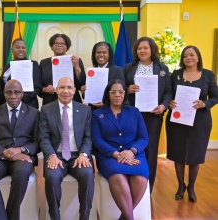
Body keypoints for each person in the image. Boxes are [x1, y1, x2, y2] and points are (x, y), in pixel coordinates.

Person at [0, 80, 39, 220]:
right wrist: (9, 154)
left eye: (17, 92)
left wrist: (21, 150)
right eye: (9, 92)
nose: (13, 96)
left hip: (23, 156)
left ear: (22, 94)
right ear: (4, 94)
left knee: (22, 172)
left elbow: (38, 142)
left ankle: (11, 216)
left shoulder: (34, 113)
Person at [166, 45, 218, 202]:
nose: (188, 58)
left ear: (198, 57)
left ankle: (192, 187)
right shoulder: (175, 74)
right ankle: (181, 186)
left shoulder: (208, 75)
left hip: (200, 121)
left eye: (191, 55)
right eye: (185, 56)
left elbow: (215, 97)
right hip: (177, 121)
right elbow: (168, 93)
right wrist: (170, 102)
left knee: (196, 155)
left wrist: (205, 104)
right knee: (178, 154)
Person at [91, 79, 149, 220]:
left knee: (141, 180)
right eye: (113, 92)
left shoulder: (135, 112)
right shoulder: (98, 114)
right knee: (118, 178)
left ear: (125, 94)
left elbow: (144, 138)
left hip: (135, 154)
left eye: (121, 92)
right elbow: (97, 140)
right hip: (109, 156)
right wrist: (117, 155)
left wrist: (131, 152)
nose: (117, 95)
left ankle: (124, 217)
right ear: (108, 95)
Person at [39, 77, 94, 220]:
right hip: (56, 156)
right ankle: (55, 217)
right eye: (62, 87)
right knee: (51, 176)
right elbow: (43, 138)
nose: (66, 91)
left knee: (88, 175)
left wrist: (84, 154)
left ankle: (84, 217)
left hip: (78, 155)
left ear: (74, 90)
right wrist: (51, 155)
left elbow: (88, 137)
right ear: (56, 90)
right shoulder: (46, 110)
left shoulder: (85, 110)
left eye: (69, 88)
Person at [124, 36, 172, 193]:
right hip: (132, 114)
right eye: (139, 48)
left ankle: (147, 188)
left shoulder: (162, 69)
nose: (142, 51)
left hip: (153, 115)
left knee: (150, 150)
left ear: (152, 50)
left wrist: (163, 106)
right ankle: (130, 184)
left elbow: (168, 92)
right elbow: (119, 87)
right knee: (130, 146)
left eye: (145, 48)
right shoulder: (128, 68)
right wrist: (127, 90)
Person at [39, 33, 86, 105]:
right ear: (51, 46)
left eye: (63, 43)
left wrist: (76, 66)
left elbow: (81, 84)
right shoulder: (44, 63)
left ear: (67, 46)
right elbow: (38, 84)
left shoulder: (75, 60)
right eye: (56, 43)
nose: (59, 45)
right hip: (50, 101)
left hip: (72, 100)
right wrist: (45, 89)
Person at [0, 38, 41, 109]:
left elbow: (37, 87)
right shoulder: (7, 66)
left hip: (28, 106)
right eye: (17, 47)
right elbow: (3, 87)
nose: (21, 49)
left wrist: (18, 98)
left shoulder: (32, 64)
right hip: (8, 106)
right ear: (12, 50)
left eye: (23, 47)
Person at [82, 41, 125, 110]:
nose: (101, 55)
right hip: (93, 111)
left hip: (110, 111)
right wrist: (84, 92)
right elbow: (86, 97)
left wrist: (105, 103)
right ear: (94, 54)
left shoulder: (117, 70)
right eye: (98, 52)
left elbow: (121, 93)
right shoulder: (91, 72)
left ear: (109, 55)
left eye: (104, 52)